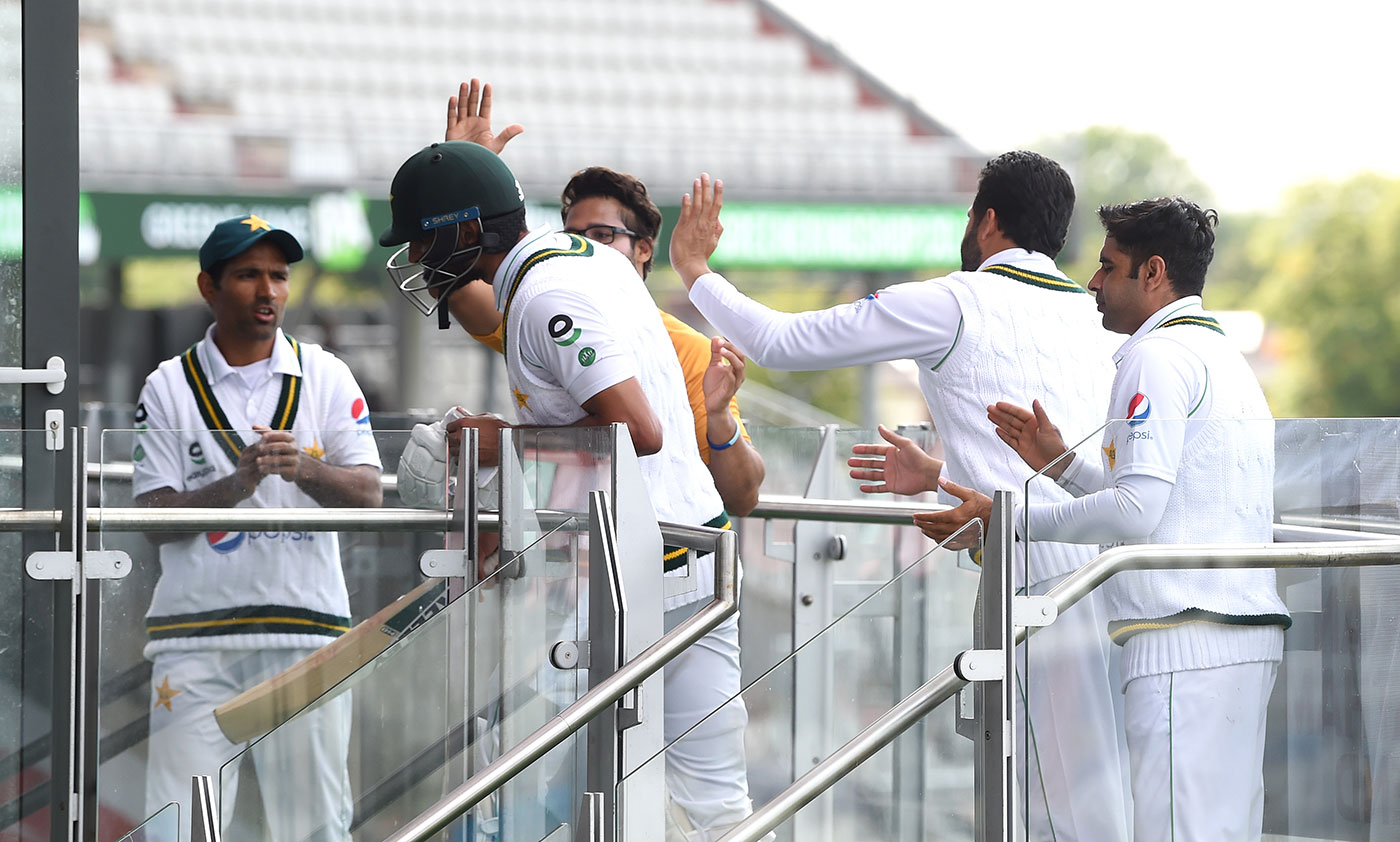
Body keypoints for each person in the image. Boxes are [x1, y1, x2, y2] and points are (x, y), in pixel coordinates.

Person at [670, 156, 1129, 840]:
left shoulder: (953, 300)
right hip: (1116, 573)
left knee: (1055, 807)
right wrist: (942, 475)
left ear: (988, 221)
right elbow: (1060, 459)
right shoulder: (1097, 316)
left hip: (1034, 585)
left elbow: (780, 342)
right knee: (1095, 799)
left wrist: (695, 271)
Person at [379, 138, 761, 841]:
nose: (421, 260)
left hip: (632, 582)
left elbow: (635, 430)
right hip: (692, 561)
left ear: (467, 231)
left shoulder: (546, 293)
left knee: (526, 795)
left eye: (427, 241)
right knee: (715, 812)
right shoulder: (576, 263)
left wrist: (500, 441)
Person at [919, 198, 1291, 842]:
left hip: (1185, 637)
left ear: (1152, 273)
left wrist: (1006, 516)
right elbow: (1163, 499)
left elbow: (1136, 512)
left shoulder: (1159, 359)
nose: (1091, 283)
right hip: (1235, 632)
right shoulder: (1217, 355)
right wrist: (1061, 464)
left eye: (1106, 267)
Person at [133, 215, 383, 842]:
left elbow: (368, 492)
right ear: (208, 287)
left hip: (305, 634)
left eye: (278, 275)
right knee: (177, 829)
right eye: (247, 275)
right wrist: (235, 487)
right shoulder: (167, 386)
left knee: (316, 828)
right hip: (194, 639)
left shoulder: (327, 374)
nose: (267, 290)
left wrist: (303, 468)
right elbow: (152, 518)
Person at [430, 80, 765, 516]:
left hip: (657, 557)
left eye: (603, 236)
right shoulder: (544, 302)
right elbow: (456, 280)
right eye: (573, 236)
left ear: (643, 250)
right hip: (569, 559)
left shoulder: (689, 350)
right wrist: (464, 183)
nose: (585, 247)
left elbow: (743, 498)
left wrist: (720, 421)